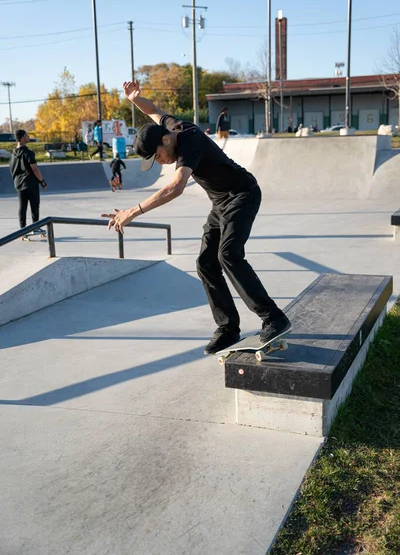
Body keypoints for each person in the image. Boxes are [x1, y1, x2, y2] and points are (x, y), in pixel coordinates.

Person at [102, 81, 291, 355]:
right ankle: (228, 328)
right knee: (205, 262)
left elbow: (175, 187)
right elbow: (153, 111)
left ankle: (274, 317)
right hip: (221, 202)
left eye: (158, 156)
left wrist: (133, 211)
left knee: (229, 255)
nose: (162, 162)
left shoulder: (189, 141)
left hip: (243, 194)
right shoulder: (168, 127)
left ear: (165, 140)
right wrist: (135, 99)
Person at [9, 130, 47, 237]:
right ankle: (36, 227)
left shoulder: (13, 154)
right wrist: (42, 182)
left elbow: (11, 169)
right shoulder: (28, 153)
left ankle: (23, 230)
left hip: (19, 184)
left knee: (22, 206)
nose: (28, 136)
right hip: (30, 183)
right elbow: (35, 169)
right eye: (26, 135)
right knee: (34, 205)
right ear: (21, 138)